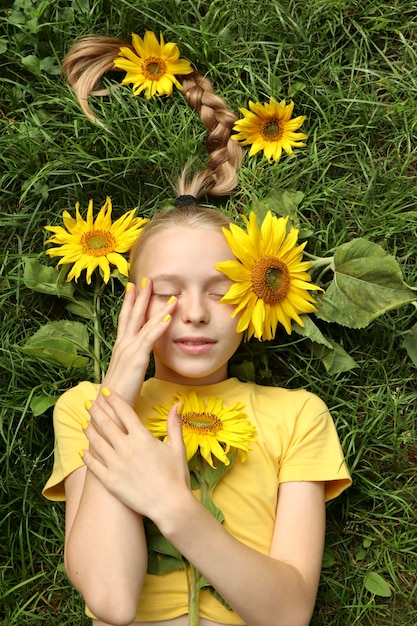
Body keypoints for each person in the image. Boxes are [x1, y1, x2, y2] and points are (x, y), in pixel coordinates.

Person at [43, 33, 351, 626]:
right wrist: (119, 392)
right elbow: (109, 599)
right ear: (132, 303)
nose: (193, 312)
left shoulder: (298, 415)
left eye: (220, 291)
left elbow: (288, 613)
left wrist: (172, 506)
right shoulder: (88, 408)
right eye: (165, 292)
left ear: (256, 302)